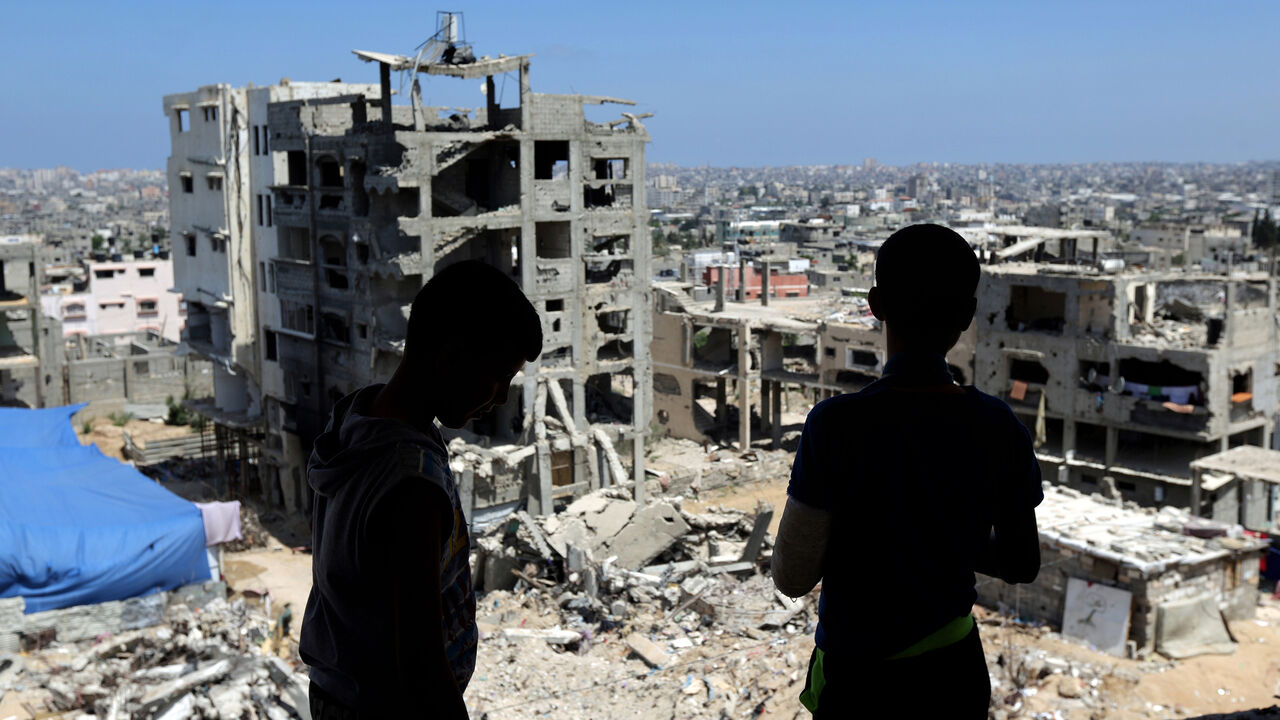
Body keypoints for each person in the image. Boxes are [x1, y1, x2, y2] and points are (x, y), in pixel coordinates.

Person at [771, 224, 1042, 718]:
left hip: (860, 683)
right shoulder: (997, 426)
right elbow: (1023, 563)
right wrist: (942, 533)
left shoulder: (836, 426)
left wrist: (885, 532)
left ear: (875, 304)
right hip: (952, 676)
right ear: (967, 315)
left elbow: (791, 576)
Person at [300, 260, 542, 718]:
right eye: (499, 378)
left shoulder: (359, 417)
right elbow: (420, 664)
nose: (503, 399)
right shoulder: (410, 489)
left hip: (344, 696)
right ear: (449, 359)